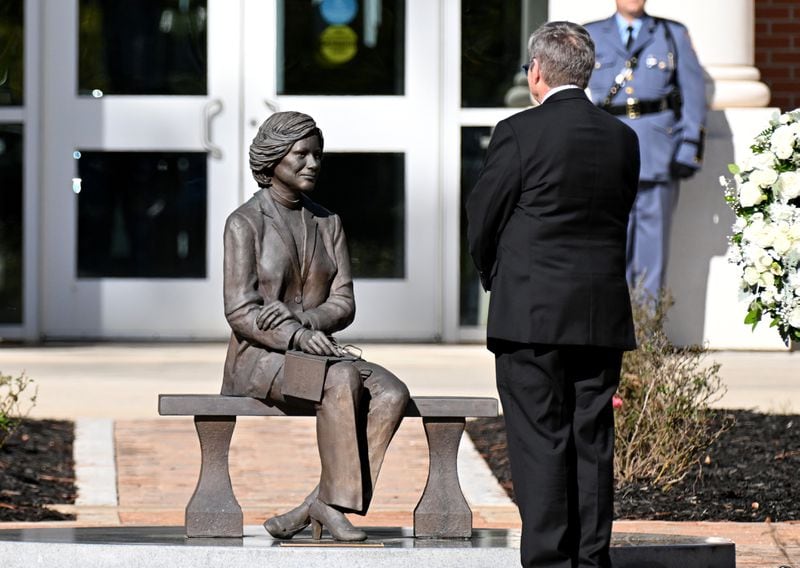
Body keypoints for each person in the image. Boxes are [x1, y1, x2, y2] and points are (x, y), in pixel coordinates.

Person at [466, 21, 639, 568]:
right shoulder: (623, 137)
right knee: (592, 442)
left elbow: (482, 219)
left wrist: (495, 276)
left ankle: (547, 563)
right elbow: (618, 218)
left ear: (536, 71)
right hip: (599, 316)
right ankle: (591, 561)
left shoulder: (518, 132)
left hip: (530, 318)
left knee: (540, 442)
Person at [221, 111, 409, 542]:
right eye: (301, 155)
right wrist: (294, 336)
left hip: (316, 352)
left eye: (317, 155)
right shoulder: (243, 224)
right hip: (262, 361)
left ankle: (323, 503)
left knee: (392, 392)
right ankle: (330, 506)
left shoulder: (328, 222)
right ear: (272, 161)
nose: (313, 164)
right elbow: (239, 310)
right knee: (342, 377)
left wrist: (305, 321)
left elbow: (344, 302)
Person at [585, 0, 707, 302]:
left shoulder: (671, 34)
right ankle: (615, 333)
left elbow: (693, 94)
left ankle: (647, 337)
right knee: (609, 246)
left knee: (653, 251)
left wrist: (689, 147)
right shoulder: (590, 34)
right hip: (608, 152)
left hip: (657, 152)